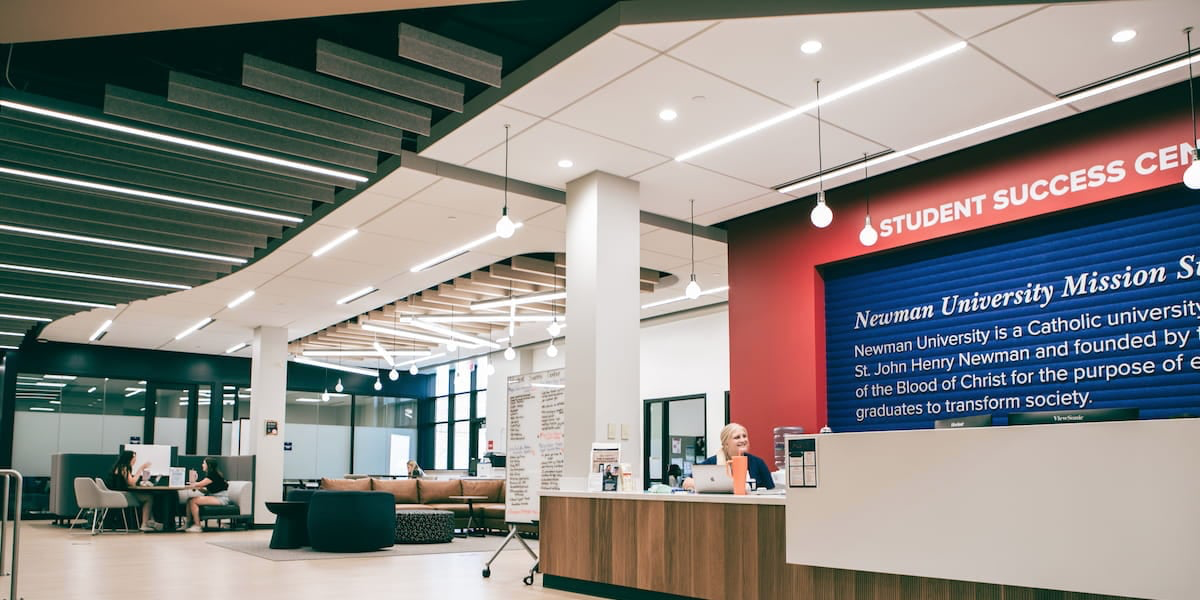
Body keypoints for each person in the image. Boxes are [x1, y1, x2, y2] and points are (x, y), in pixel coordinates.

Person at [683, 423, 775, 490]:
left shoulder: (758, 463)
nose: (743, 440)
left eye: (744, 436)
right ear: (726, 443)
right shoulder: (711, 463)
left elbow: (772, 491)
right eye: (737, 437)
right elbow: (686, 482)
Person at [107, 450, 159, 531]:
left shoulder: (118, 467)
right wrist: (141, 469)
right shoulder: (124, 468)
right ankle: (144, 524)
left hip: (118, 494)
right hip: (123, 495)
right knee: (149, 498)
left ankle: (151, 521)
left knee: (147, 496)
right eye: (134, 459)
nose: (135, 461)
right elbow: (132, 482)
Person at [182, 457, 230, 533]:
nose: (202, 465)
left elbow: (199, 484)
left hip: (221, 498)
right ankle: (188, 524)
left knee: (193, 501)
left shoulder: (213, 475)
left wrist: (193, 483)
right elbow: (206, 491)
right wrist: (199, 488)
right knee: (189, 500)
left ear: (209, 465)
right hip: (214, 496)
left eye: (204, 463)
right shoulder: (211, 475)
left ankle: (198, 526)